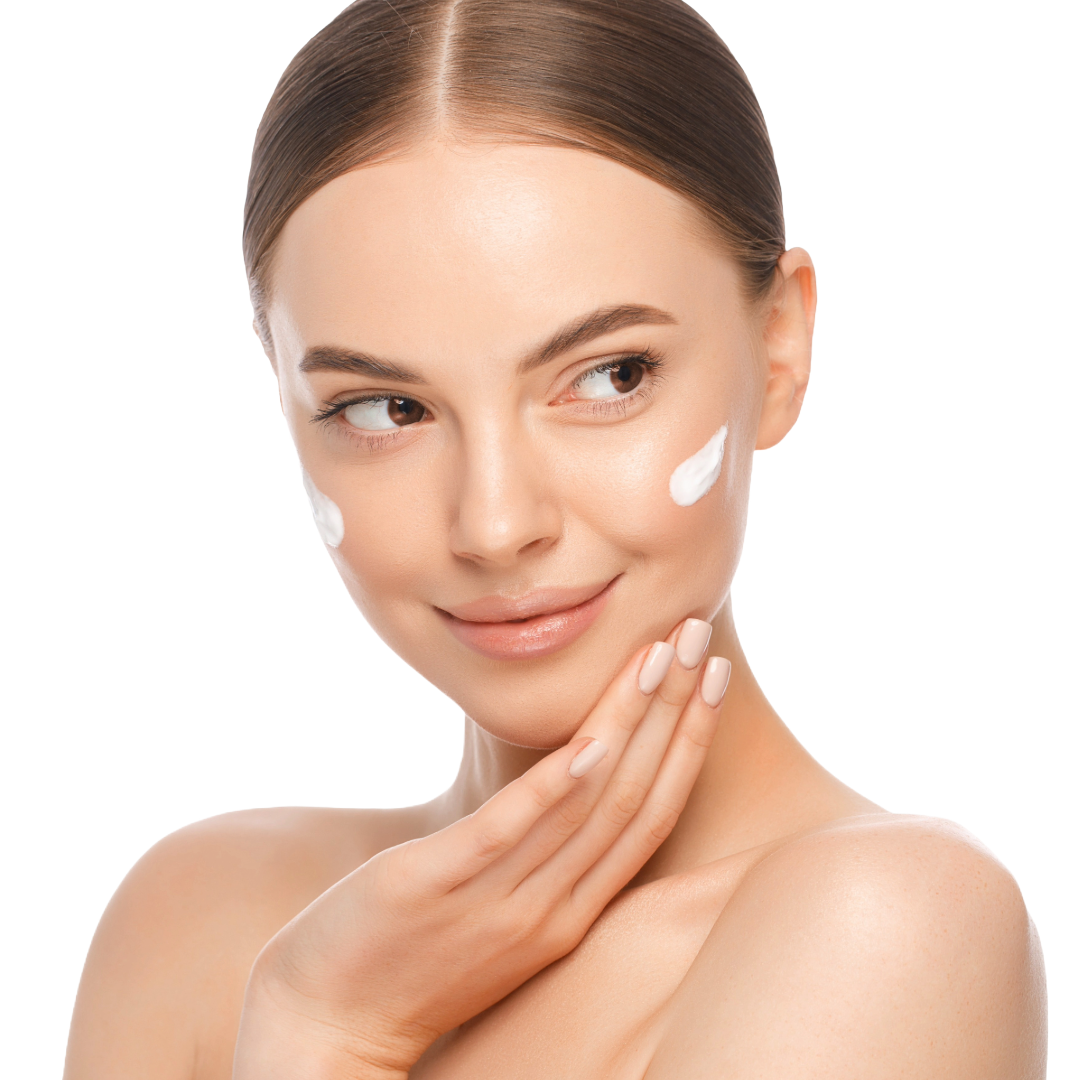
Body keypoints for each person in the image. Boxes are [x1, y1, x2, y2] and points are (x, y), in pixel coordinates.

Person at [63, 1, 1047, 1076]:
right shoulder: (193, 919)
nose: (495, 526)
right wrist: (313, 1003)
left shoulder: (890, 924)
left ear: (780, 347)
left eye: (610, 376)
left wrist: (330, 1032)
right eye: (386, 408)